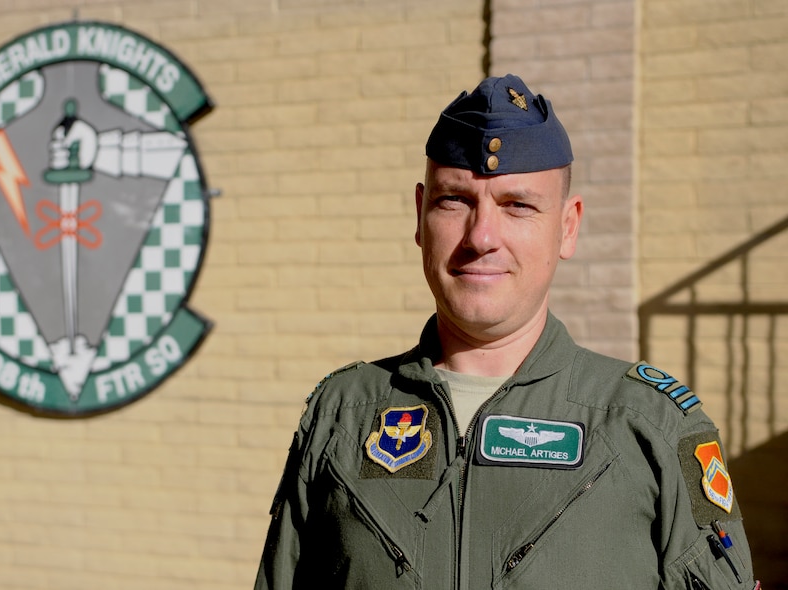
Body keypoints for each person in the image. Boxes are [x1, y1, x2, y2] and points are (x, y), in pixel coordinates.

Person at [253, 74, 759, 589]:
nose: (481, 237)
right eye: (455, 201)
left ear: (567, 226)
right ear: (420, 215)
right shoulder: (342, 415)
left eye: (517, 205)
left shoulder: (649, 425)